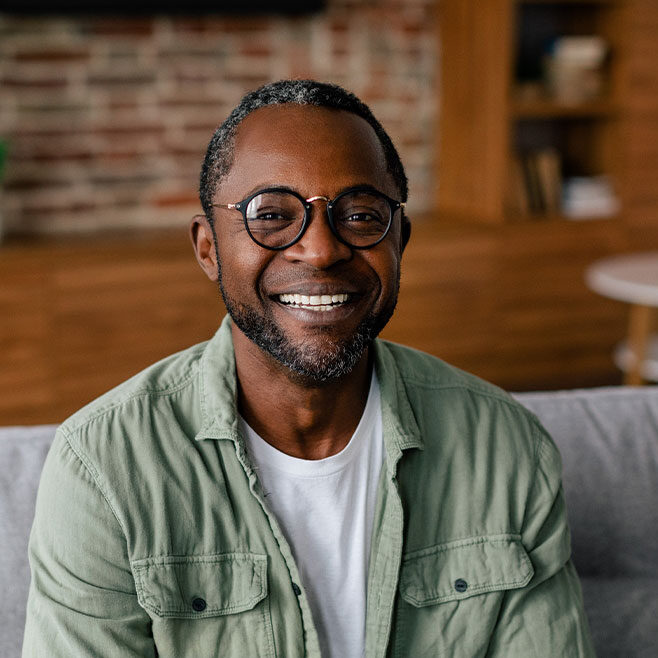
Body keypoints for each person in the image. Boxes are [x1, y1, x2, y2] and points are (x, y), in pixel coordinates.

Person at [23, 79, 594, 657]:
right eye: (271, 214)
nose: (320, 250)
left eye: (361, 214)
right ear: (208, 248)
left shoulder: (509, 447)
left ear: (400, 240)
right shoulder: (104, 467)